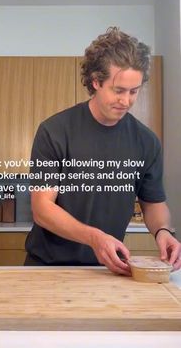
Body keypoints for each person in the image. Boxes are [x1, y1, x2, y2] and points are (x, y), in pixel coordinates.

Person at [25, 27, 181, 274]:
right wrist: (93, 237)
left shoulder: (147, 141)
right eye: (118, 90)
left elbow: (153, 203)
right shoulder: (54, 131)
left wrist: (163, 230)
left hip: (107, 269)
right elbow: (42, 208)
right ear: (96, 81)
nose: (127, 101)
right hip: (48, 267)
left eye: (134, 91)